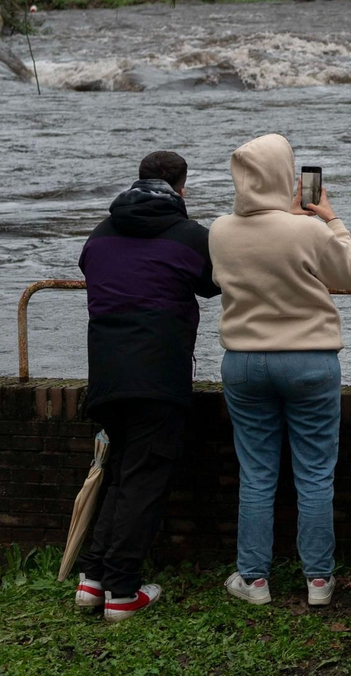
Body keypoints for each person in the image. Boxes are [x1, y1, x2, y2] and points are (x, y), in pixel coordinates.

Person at [210, 134, 351, 608]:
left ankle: (253, 580)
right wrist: (329, 218)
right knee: (315, 473)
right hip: (309, 359)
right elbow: (347, 274)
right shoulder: (307, 230)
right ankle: (318, 580)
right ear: (284, 176)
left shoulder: (219, 230)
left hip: (244, 362)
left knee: (256, 472)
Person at [75, 151, 219, 623]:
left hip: (107, 374)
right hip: (158, 375)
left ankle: (92, 578)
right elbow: (212, 284)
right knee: (143, 482)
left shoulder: (101, 233)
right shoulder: (189, 235)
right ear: (182, 187)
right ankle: (121, 591)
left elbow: (89, 267)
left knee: (119, 474)